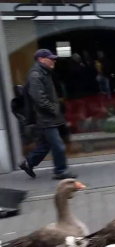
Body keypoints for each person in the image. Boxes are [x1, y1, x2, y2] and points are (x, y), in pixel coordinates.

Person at [19, 49, 77, 180]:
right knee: (58, 145)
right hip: (45, 117)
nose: (54, 61)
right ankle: (60, 170)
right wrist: (53, 109)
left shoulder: (44, 72)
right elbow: (39, 98)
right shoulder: (36, 74)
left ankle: (28, 163)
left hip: (48, 116)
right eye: (50, 58)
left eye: (54, 58)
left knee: (46, 145)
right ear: (41, 59)